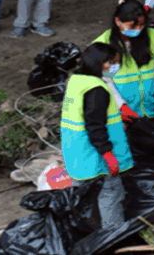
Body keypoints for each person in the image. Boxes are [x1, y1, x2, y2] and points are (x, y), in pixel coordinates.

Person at [60, 42, 134, 228]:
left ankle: (87, 235)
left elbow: (85, 115)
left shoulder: (77, 81)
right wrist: (107, 153)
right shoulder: (96, 89)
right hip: (95, 155)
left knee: (84, 199)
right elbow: (95, 124)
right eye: (113, 62)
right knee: (111, 194)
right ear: (102, 63)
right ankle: (113, 236)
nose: (115, 66)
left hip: (76, 153)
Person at [94, 0, 154, 120]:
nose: (138, 29)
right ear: (118, 22)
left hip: (151, 109)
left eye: (141, 25)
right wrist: (121, 106)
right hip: (122, 114)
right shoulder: (103, 44)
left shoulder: (151, 38)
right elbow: (105, 80)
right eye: (132, 26)